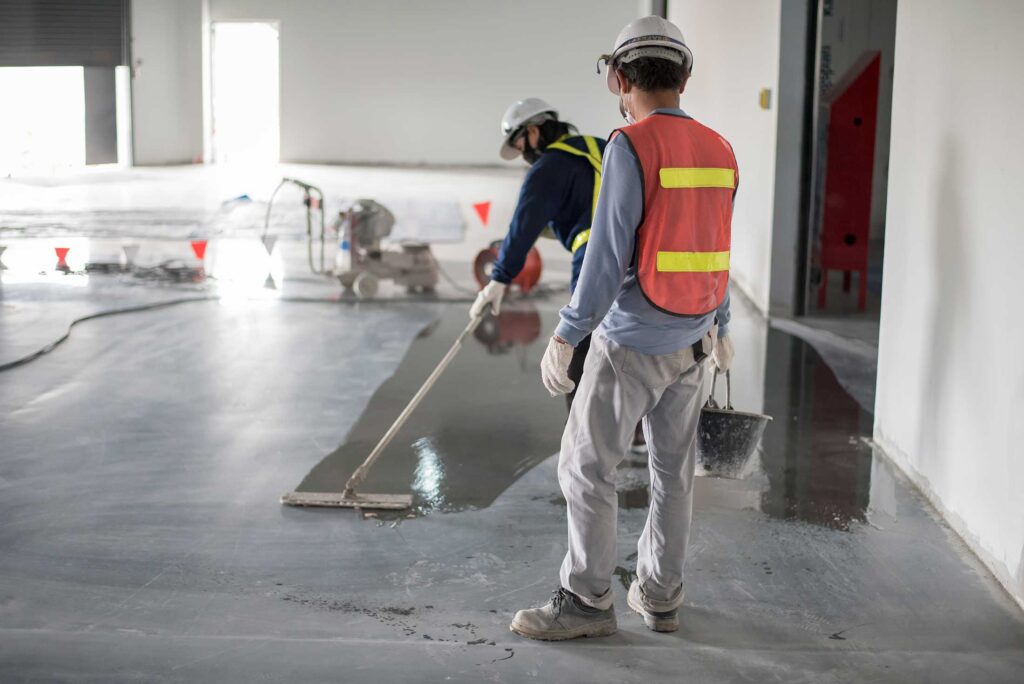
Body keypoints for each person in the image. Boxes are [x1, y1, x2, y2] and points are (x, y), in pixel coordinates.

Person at [509, 15, 737, 641]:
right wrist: (721, 322)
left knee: (586, 467)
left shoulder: (630, 146)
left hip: (631, 343)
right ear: (685, 76)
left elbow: (606, 259)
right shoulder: (720, 149)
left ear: (617, 78)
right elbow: (716, 246)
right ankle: (660, 596)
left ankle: (586, 600)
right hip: (694, 343)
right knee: (672, 474)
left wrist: (566, 335)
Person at [469, 99, 606, 411]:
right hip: (637, 263)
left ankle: (581, 431)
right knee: (628, 354)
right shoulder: (599, 149)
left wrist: (499, 278)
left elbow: (523, 226)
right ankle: (632, 431)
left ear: (533, 130)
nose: (524, 154)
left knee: (580, 356)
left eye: (521, 145)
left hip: (592, 264)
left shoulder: (549, 166)